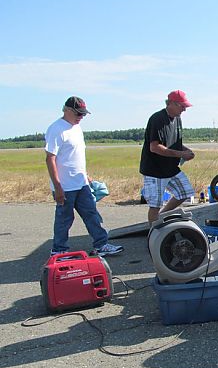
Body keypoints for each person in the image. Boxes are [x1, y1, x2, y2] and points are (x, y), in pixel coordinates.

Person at [44, 96, 123, 257]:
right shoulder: (56, 129)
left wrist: (86, 176)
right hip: (65, 186)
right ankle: (59, 251)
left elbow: (75, 156)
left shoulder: (77, 128)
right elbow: (50, 158)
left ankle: (101, 245)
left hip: (81, 183)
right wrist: (58, 187)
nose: (81, 117)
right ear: (67, 110)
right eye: (78, 114)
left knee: (92, 214)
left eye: (83, 114)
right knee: (64, 219)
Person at [139, 90, 196, 224]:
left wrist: (186, 151)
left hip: (171, 168)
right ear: (172, 103)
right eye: (182, 106)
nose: (184, 109)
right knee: (155, 205)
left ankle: (160, 217)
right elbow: (154, 147)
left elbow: (175, 143)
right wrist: (181, 154)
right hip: (154, 170)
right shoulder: (157, 119)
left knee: (185, 192)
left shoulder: (178, 119)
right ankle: (154, 231)